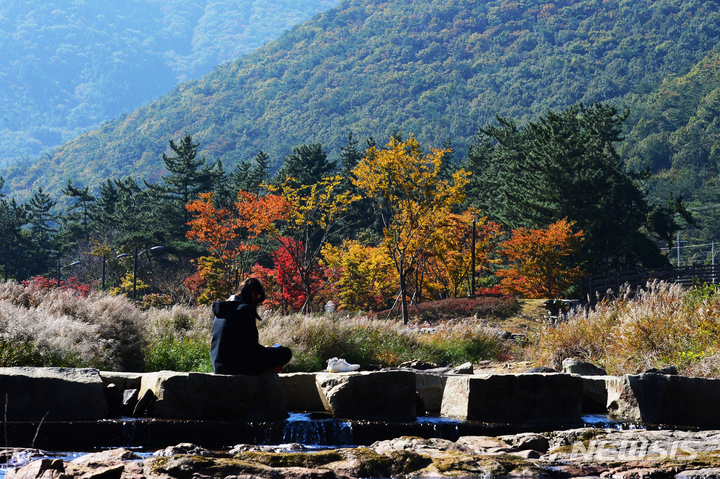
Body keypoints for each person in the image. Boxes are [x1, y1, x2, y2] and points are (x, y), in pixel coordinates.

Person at [210, 278, 292, 375]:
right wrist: (266, 349)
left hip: (220, 366)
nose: (256, 304)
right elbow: (250, 345)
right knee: (285, 353)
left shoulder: (222, 310)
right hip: (238, 366)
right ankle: (264, 371)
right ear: (252, 293)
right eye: (256, 299)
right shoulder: (244, 309)